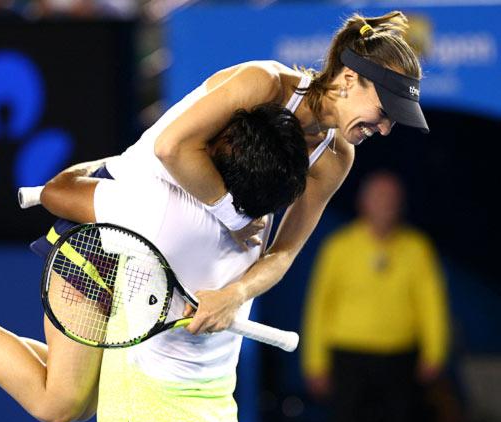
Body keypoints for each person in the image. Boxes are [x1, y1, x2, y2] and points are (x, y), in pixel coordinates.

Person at [0, 103, 308, 422]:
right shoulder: (163, 206)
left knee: (83, 398)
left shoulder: (248, 213)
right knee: (59, 403)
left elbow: (57, 187)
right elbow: (56, 194)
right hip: (91, 251)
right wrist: (126, 168)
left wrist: (231, 297)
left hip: (138, 262)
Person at [105, 11, 430, 338]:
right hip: (118, 219)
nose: (386, 129)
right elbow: (172, 148)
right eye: (384, 111)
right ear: (348, 79)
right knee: (66, 392)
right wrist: (236, 217)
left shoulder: (337, 157)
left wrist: (236, 294)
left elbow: (283, 251)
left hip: (179, 255)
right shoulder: (264, 82)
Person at [301, 171, 450, 422]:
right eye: (378, 197)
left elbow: (432, 305)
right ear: (363, 202)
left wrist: (435, 352)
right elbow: (319, 306)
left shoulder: (418, 249)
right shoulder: (338, 248)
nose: (385, 204)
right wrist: (315, 363)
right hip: (348, 358)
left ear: (401, 204)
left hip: (400, 358)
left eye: (391, 198)